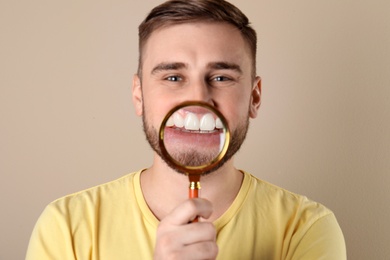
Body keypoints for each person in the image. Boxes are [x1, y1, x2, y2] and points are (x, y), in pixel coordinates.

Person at [26, 0, 346, 259]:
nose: (197, 99)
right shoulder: (67, 226)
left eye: (221, 77)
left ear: (254, 97)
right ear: (139, 95)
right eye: (173, 77)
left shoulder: (305, 228)